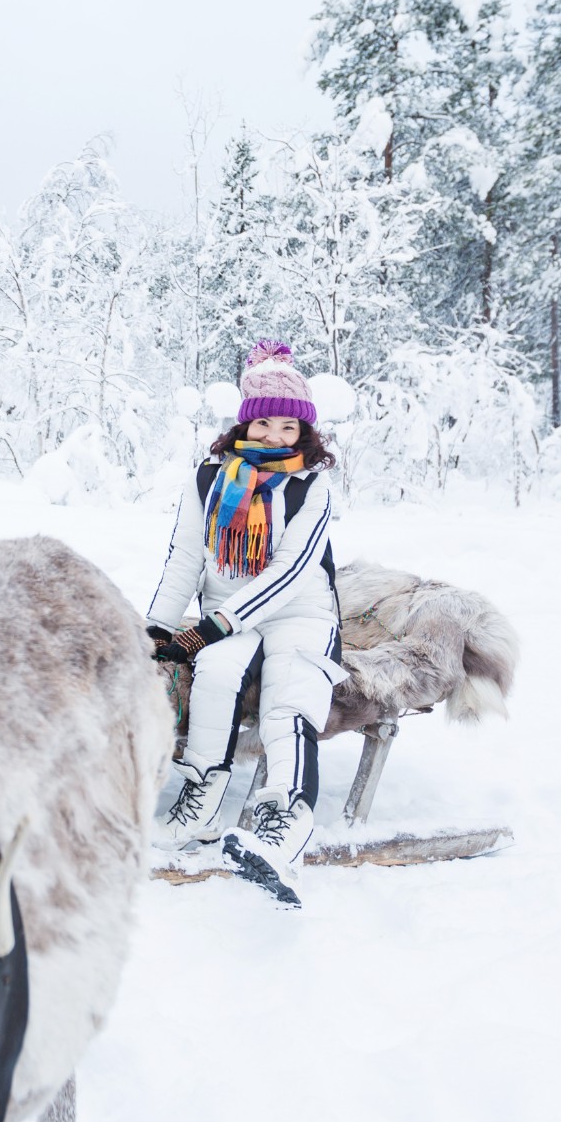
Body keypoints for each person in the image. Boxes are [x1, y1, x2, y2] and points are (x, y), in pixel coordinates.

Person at [146, 340, 346, 906]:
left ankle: (285, 824)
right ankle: (203, 803)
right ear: (245, 423)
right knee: (213, 674)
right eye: (264, 423)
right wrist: (158, 628)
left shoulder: (313, 485)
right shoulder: (209, 479)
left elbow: (291, 570)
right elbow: (185, 557)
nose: (275, 436)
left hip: (299, 611)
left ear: (303, 432)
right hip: (228, 617)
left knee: (287, 699)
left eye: (289, 427)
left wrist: (219, 622)